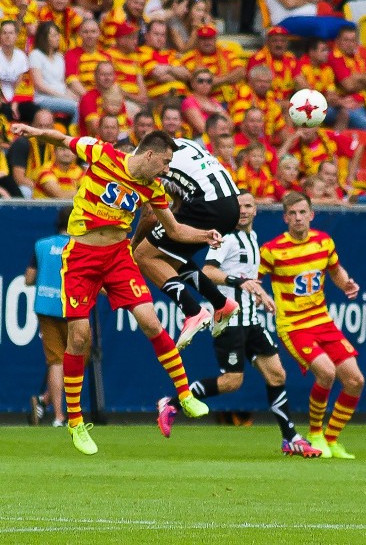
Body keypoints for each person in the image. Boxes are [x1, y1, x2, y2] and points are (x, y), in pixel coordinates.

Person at [9, 124, 220, 455]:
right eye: (165, 163)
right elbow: (62, 139)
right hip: (80, 257)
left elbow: (175, 229)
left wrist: (204, 235)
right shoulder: (102, 154)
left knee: (150, 321)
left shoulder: (151, 187)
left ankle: (185, 394)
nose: (166, 171)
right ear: (148, 154)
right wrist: (30, 130)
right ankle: (76, 423)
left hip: (118, 256)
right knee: (80, 338)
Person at [156, 191, 323, 458]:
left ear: (257, 210)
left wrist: (260, 293)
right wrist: (238, 282)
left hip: (251, 320)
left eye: (248, 206)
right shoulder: (227, 238)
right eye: (239, 206)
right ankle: (172, 403)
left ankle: (290, 437)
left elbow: (247, 278)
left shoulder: (252, 238)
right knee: (232, 381)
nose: (243, 210)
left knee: (277, 374)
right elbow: (208, 271)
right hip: (230, 320)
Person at [259, 191, 364, 459]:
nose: (298, 218)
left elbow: (335, 270)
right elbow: (253, 279)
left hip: (323, 321)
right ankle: (316, 433)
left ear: (311, 215)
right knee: (326, 373)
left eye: (302, 212)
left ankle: (331, 439)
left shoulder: (323, 242)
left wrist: (346, 284)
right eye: (292, 214)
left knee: (354, 380)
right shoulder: (272, 250)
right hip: (294, 326)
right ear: (285, 218)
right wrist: (259, 295)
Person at [133, 138, 241, 351]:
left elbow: (150, 216)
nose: (163, 170)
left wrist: (133, 244)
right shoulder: (181, 143)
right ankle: (222, 303)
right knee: (168, 254)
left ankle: (193, 311)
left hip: (207, 204)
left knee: (143, 255)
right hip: (230, 204)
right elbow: (180, 196)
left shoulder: (143, 162)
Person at [25, 207, 75, 428]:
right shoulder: (80, 247)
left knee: (57, 361)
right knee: (72, 360)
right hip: (73, 308)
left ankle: (47, 403)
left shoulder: (42, 245)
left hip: (46, 307)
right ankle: (59, 415)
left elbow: (28, 279)